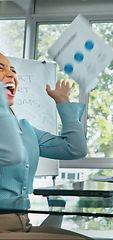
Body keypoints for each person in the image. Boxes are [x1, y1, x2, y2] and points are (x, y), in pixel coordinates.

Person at [0, 53, 89, 239]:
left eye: (13, 71)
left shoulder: (24, 128)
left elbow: (75, 149)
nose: (11, 75)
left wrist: (62, 102)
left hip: (23, 223)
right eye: (1, 68)